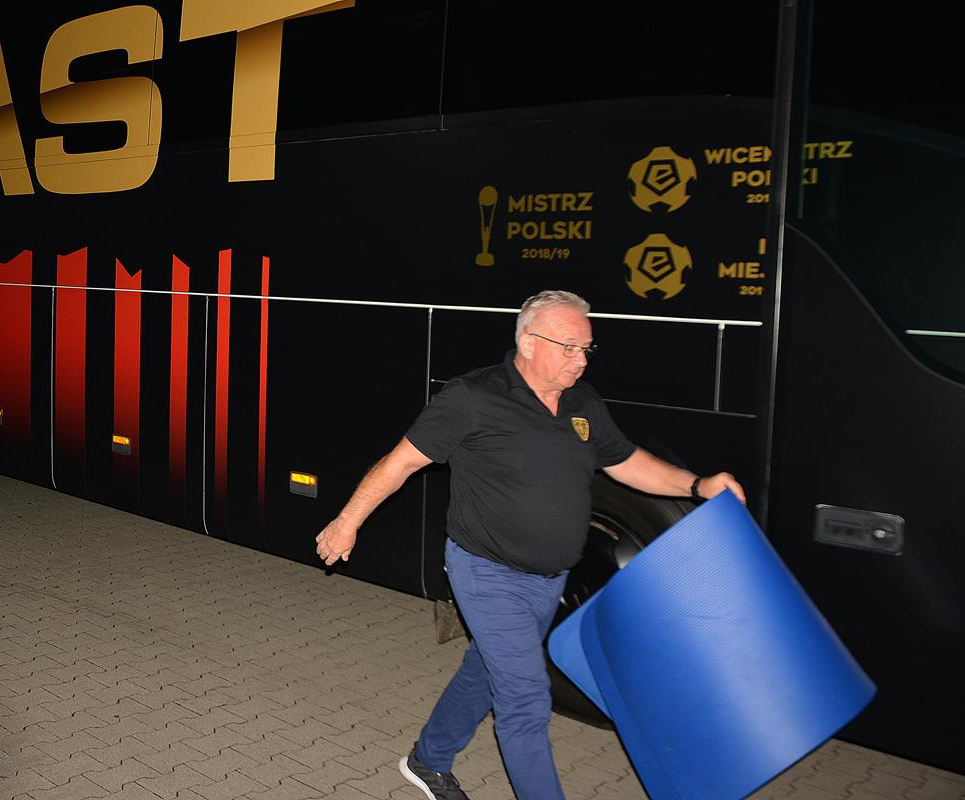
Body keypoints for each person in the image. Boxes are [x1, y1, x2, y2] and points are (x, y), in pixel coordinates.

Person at [314, 290, 745, 800]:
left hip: (549, 580)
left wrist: (697, 485)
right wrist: (347, 521)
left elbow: (626, 462)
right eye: (568, 347)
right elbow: (401, 462)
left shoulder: (583, 403)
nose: (580, 360)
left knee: (485, 670)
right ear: (528, 343)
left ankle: (428, 760)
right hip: (486, 572)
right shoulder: (474, 397)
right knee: (525, 700)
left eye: (586, 348)